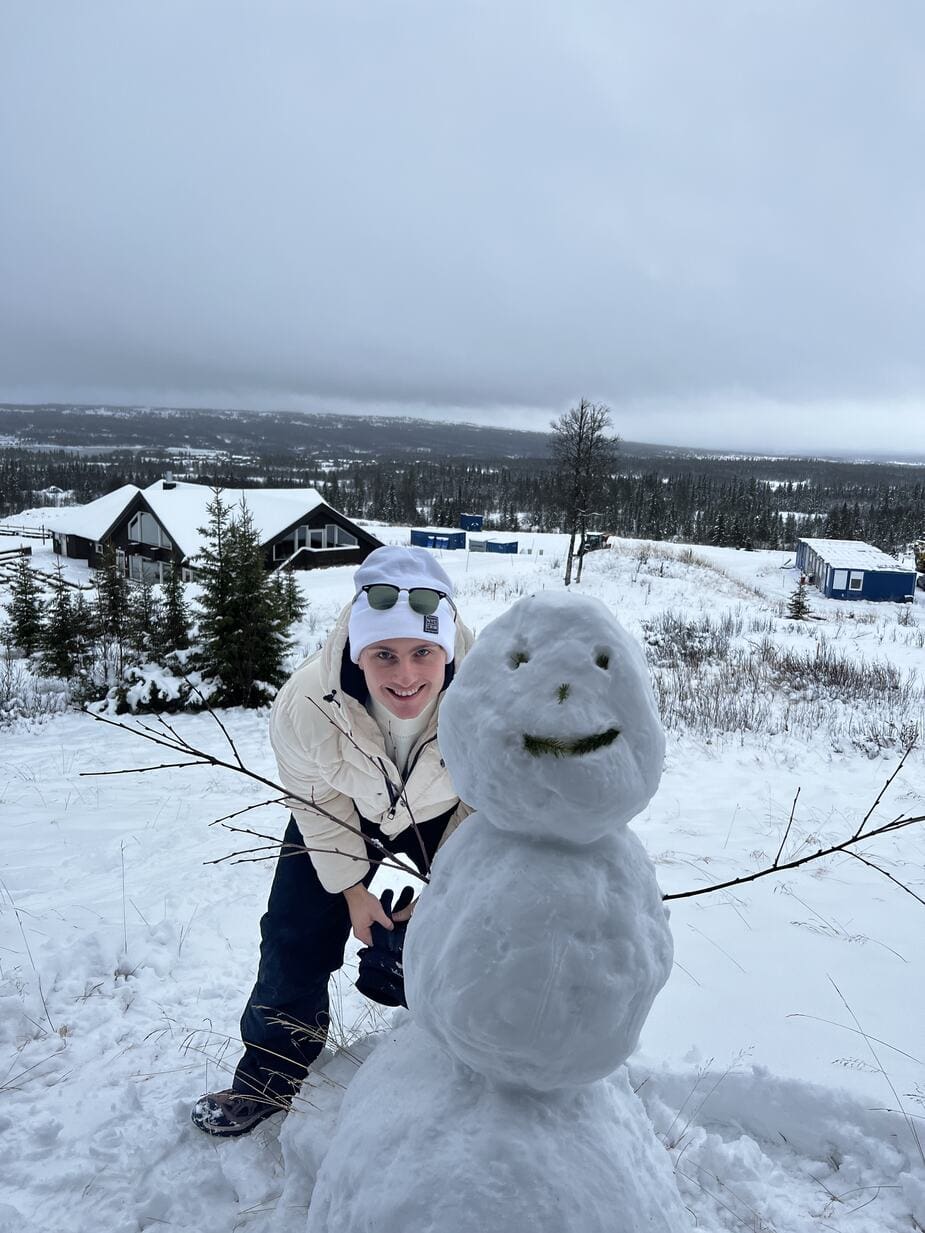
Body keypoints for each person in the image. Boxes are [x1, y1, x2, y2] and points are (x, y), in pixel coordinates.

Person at [191, 546, 473, 1137]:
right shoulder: (307, 702)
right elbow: (314, 795)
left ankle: (453, 1079)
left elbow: (485, 798)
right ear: (357, 651)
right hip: (337, 816)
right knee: (294, 939)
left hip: (434, 827)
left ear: (447, 648)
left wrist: (437, 880)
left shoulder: (485, 699)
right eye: (384, 654)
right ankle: (269, 1076)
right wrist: (349, 886)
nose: (405, 675)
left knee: (421, 947)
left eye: (424, 651)